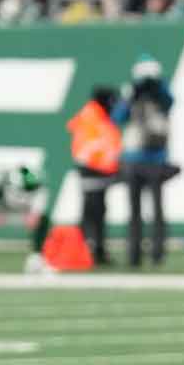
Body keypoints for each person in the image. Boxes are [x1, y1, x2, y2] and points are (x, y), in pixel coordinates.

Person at [112, 54, 178, 268]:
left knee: (157, 211)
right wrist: (132, 95)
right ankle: (134, 255)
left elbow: (170, 104)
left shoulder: (162, 93)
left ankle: (157, 254)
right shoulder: (131, 93)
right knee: (134, 211)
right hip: (133, 157)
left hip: (156, 158)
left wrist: (158, 90)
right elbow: (117, 117)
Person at [66, 85, 121, 265]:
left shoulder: (96, 116)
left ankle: (95, 252)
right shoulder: (92, 118)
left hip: (98, 170)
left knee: (97, 212)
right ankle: (83, 253)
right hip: (93, 170)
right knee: (91, 213)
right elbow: (92, 148)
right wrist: (107, 165)